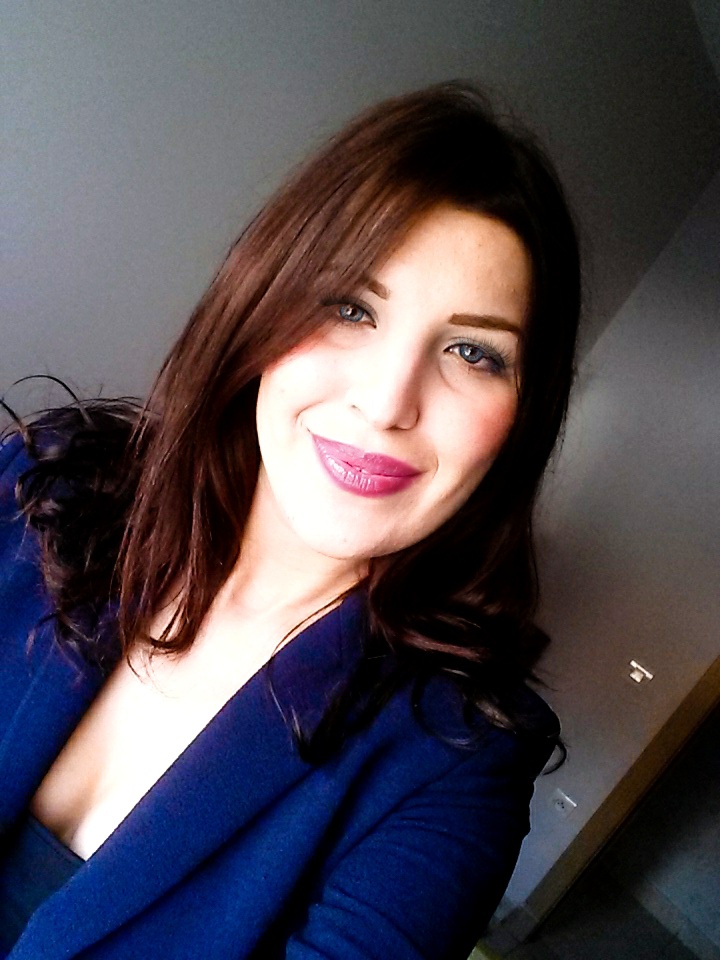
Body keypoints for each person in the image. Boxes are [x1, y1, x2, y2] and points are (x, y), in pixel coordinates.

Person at [0, 81, 580, 959]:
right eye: (350, 308)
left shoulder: (457, 764)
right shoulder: (49, 486)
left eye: (472, 352)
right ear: (263, 305)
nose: (386, 403)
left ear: (523, 416)